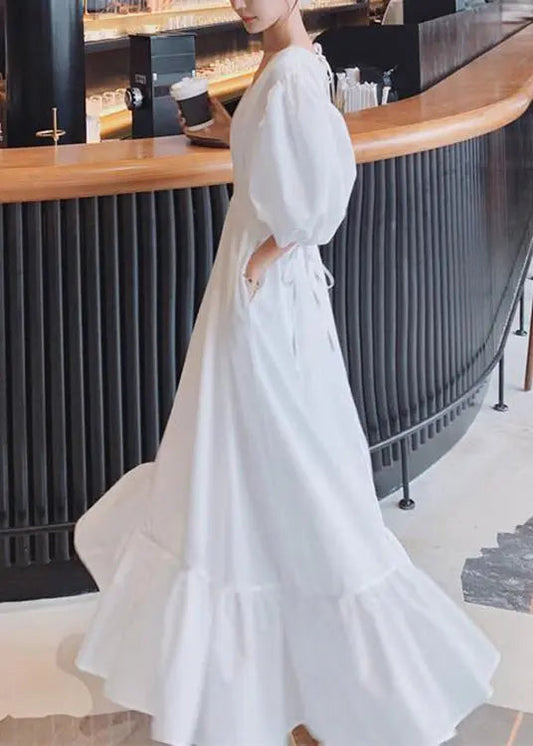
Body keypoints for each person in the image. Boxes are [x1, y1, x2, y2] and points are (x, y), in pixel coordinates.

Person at [74, 1, 501, 745]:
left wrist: (264, 259)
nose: (243, 1)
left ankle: (326, 683)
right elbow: (279, 156)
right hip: (252, 283)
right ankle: (290, 681)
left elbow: (323, 195)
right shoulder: (283, 62)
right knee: (248, 463)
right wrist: (225, 130)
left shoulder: (297, 74)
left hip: (261, 289)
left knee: (280, 461)